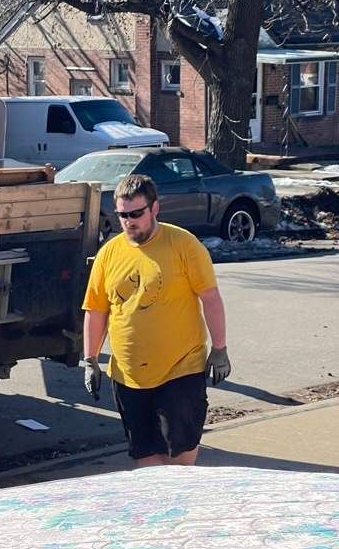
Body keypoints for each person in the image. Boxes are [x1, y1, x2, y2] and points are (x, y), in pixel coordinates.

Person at [82, 174, 231, 467]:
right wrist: (90, 359)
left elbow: (210, 297)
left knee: (179, 460)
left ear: (154, 208)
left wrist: (220, 349)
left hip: (180, 369)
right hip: (128, 375)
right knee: (146, 464)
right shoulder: (109, 253)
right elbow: (96, 309)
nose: (129, 221)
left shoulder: (183, 244)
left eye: (136, 213)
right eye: (123, 215)